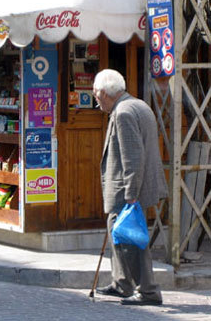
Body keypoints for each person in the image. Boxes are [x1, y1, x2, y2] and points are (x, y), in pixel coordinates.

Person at [93, 69, 168, 306]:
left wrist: (131, 195)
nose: (96, 101)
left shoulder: (123, 112)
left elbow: (132, 158)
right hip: (135, 186)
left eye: (96, 96)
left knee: (131, 240)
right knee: (119, 234)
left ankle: (148, 291)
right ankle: (122, 283)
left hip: (128, 189)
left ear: (104, 93)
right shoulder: (138, 105)